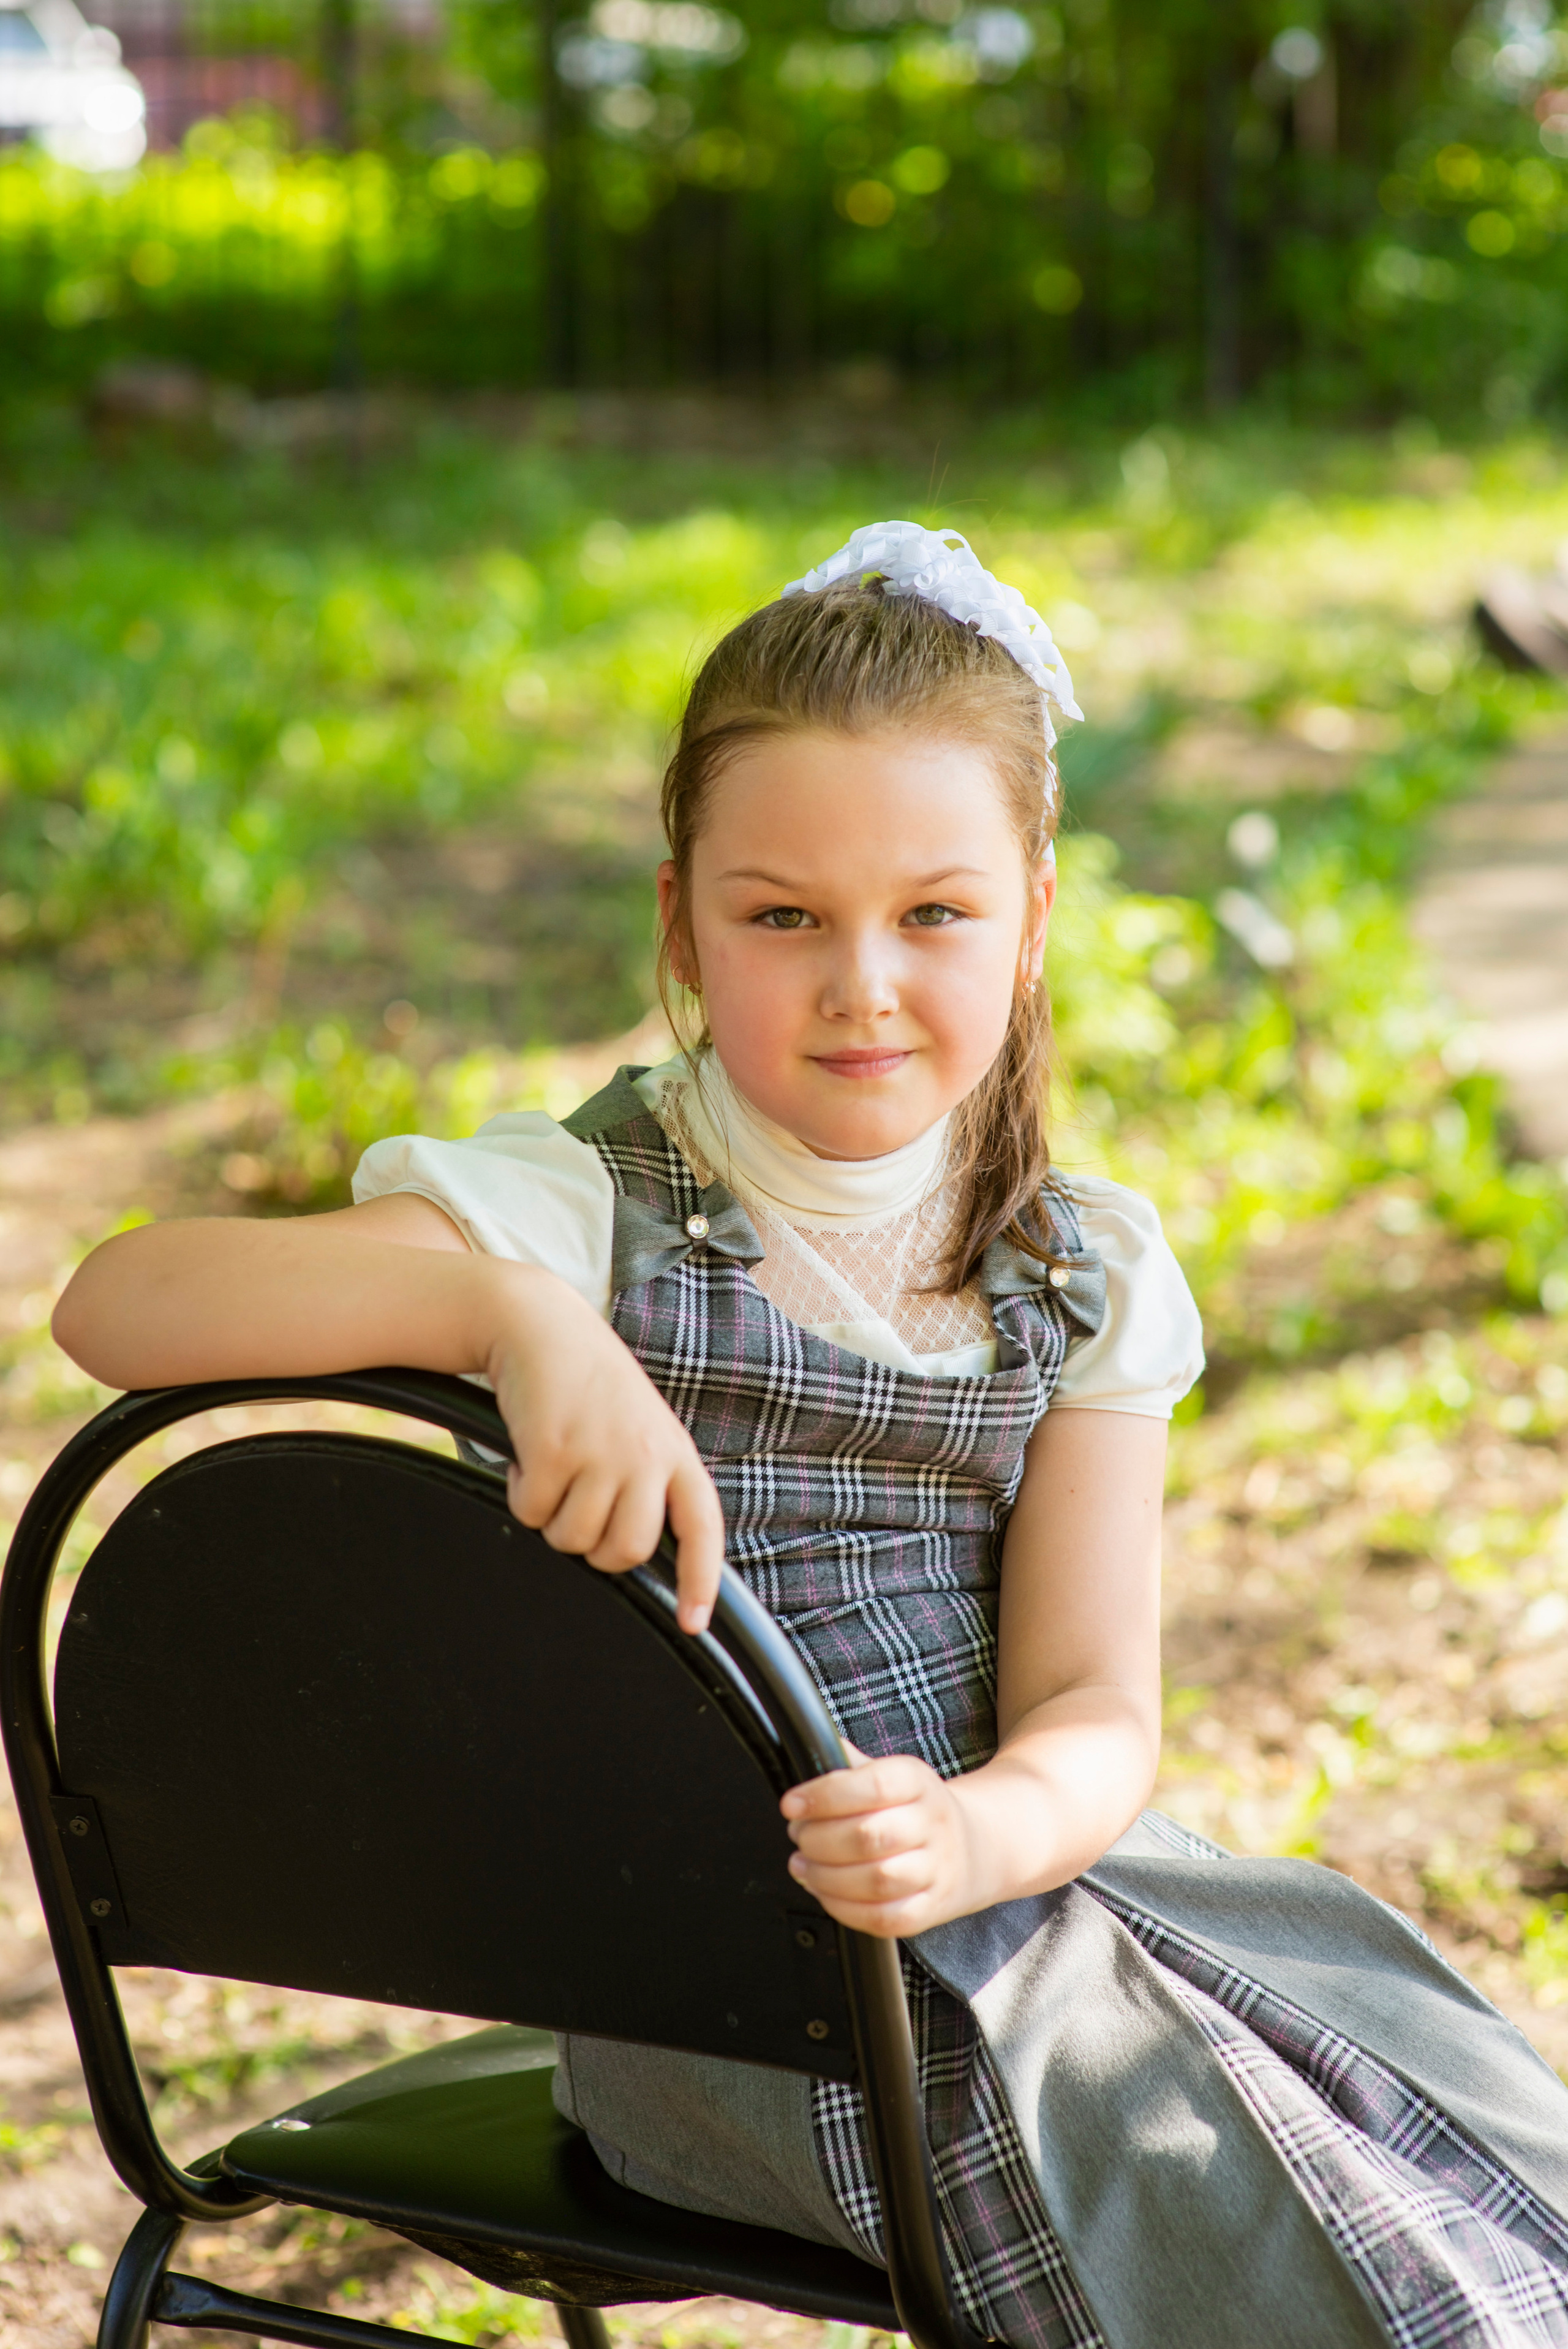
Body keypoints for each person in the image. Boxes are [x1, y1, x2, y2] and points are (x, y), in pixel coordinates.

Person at [53, 521, 1568, 2349]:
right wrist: (507, 1312)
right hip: (718, 1995)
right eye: (784, 916)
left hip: (1014, 1880)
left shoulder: (1081, 1270)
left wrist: (981, 1833)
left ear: (1036, 917)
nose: (862, 979)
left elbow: (1097, 1707)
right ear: (685, 915)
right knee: (1277, 2229)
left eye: (934, 912)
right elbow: (114, 1306)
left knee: (1447, 2137)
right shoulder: (581, 1209)